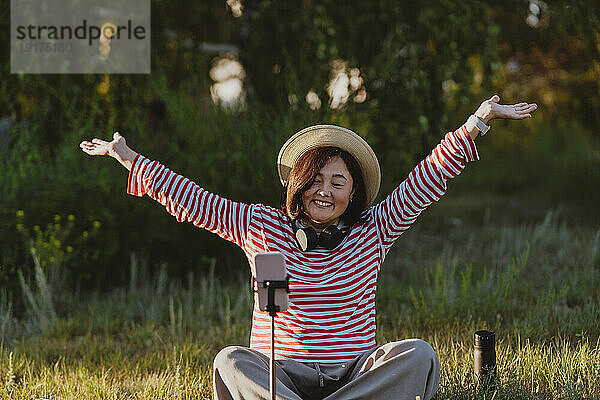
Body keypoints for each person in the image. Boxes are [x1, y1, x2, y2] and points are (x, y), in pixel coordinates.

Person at [80, 95, 537, 400]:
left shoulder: (373, 229)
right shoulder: (261, 223)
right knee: (230, 361)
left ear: (352, 194)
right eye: (315, 180)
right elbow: (195, 200)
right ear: (298, 184)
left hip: (353, 375)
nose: (324, 191)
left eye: (337, 183)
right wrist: (128, 158)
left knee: (419, 355)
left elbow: (426, 180)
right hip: (281, 374)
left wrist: (476, 123)